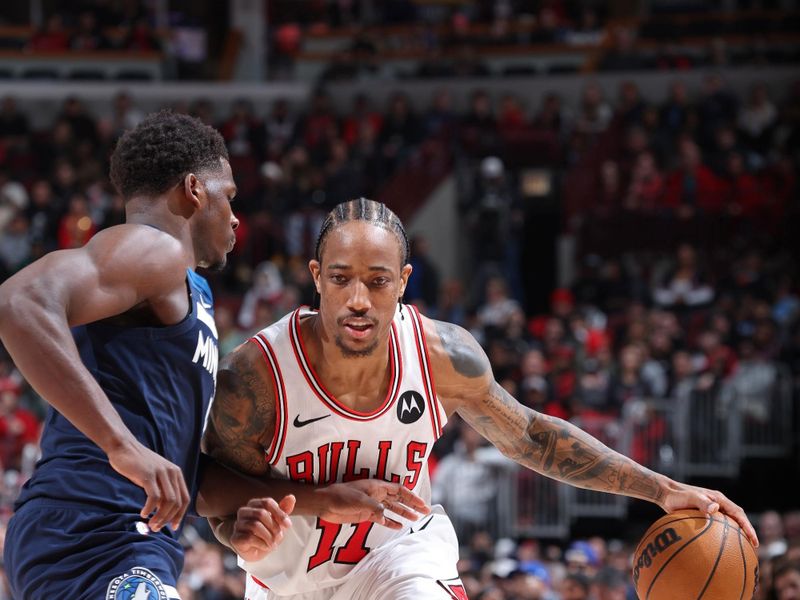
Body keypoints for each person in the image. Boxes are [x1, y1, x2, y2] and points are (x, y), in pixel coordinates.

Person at [202, 197, 759, 600]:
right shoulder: (257, 374)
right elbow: (212, 491)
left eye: (376, 281)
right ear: (317, 277)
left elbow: (533, 437)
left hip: (400, 560)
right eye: (342, 278)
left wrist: (661, 489)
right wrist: (241, 531)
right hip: (286, 583)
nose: (358, 299)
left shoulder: (442, 355)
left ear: (402, 282)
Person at [0, 115, 423, 598]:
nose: (236, 215)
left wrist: (321, 500)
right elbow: (20, 302)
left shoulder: (188, 289)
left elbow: (190, 483)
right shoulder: (152, 248)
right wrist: (124, 447)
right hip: (94, 530)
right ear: (194, 189)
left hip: (115, 535)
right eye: (230, 196)